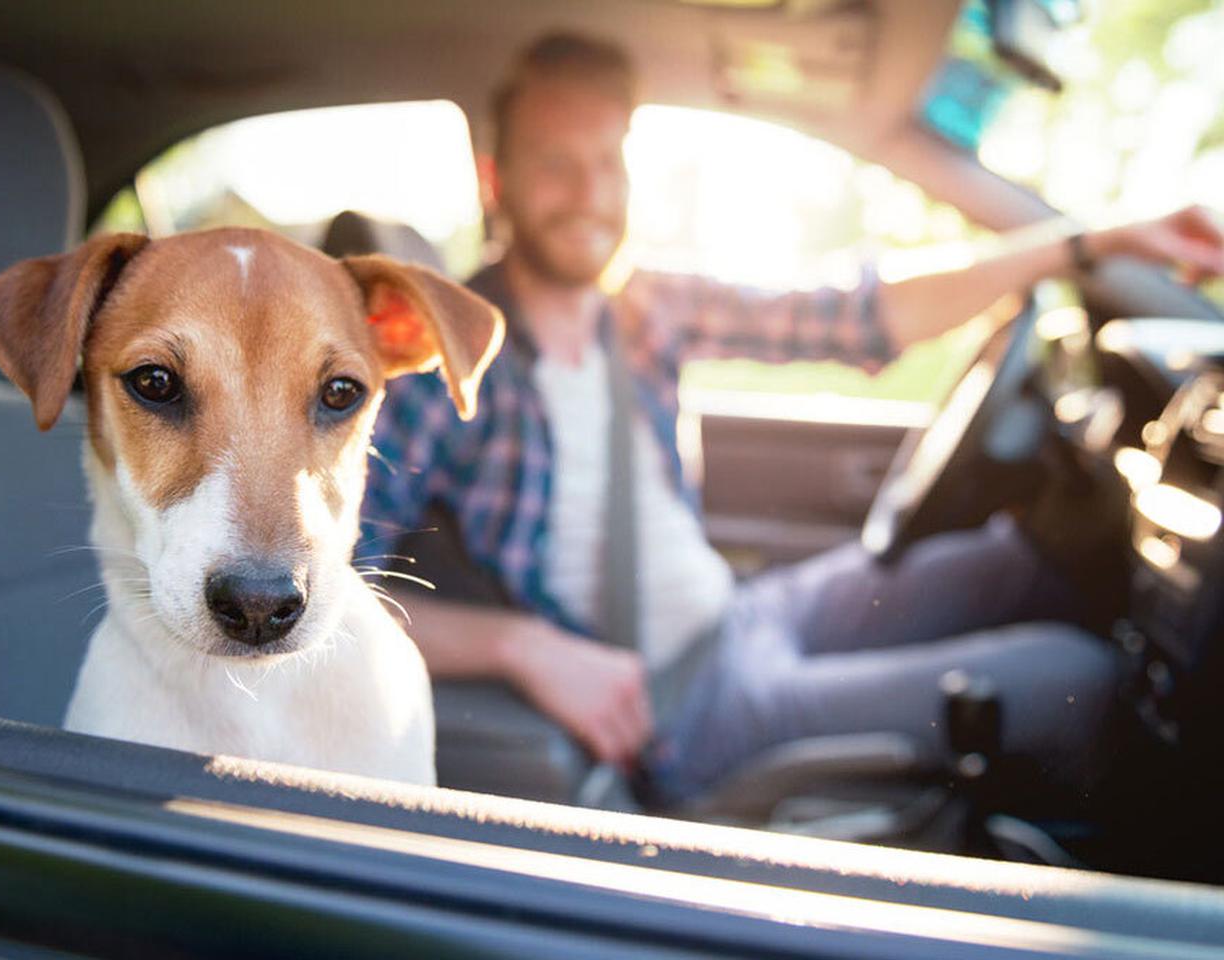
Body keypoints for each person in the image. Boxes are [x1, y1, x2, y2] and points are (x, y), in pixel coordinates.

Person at [361, 32, 1224, 805]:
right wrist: (521, 647)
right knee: (1079, 680)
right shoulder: (440, 364)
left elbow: (863, 313)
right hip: (684, 709)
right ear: (495, 176)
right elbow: (331, 594)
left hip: (742, 617)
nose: (590, 193)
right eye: (556, 162)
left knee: (1018, 561)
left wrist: (1090, 245)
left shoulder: (642, 307)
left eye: (609, 162)